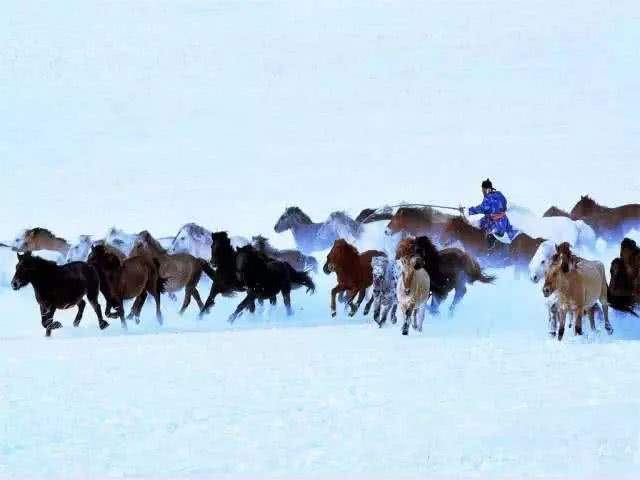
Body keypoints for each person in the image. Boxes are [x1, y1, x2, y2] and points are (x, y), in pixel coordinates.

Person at [461, 179, 518, 249]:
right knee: (477, 223)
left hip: (496, 224)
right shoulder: (499, 194)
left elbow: (481, 209)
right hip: (503, 222)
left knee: (482, 232)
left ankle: (487, 251)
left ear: (487, 189)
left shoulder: (488, 198)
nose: (482, 192)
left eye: (483, 190)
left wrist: (467, 211)